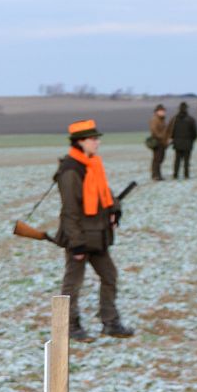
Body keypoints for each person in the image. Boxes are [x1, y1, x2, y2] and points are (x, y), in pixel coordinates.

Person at [55, 118, 134, 342]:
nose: (97, 142)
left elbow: (104, 193)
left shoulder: (93, 165)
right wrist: (76, 243)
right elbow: (69, 211)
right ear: (80, 142)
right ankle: (68, 326)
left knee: (109, 276)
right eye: (93, 139)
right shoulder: (71, 171)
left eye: (97, 139)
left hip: (98, 235)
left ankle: (110, 322)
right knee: (72, 283)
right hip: (80, 238)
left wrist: (114, 210)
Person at [171, 101, 197, 179]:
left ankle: (175, 175)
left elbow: (171, 131)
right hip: (187, 143)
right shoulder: (191, 119)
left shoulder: (174, 119)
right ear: (186, 109)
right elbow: (195, 133)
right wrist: (191, 140)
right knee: (186, 160)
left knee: (177, 160)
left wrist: (174, 139)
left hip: (177, 143)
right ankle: (186, 175)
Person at [147, 103, 169, 183]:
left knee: (160, 159)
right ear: (157, 112)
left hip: (162, 142)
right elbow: (155, 131)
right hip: (157, 142)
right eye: (161, 111)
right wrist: (163, 137)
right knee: (157, 159)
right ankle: (155, 175)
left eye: (163, 111)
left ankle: (157, 175)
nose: (163, 112)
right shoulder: (154, 120)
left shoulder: (162, 120)